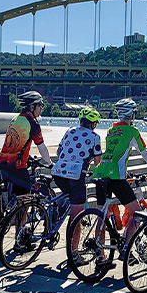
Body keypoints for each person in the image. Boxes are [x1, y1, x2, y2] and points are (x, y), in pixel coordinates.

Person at [89, 98, 147, 264]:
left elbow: (114, 153)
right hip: (116, 177)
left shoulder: (111, 130)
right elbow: (145, 153)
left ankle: (100, 256)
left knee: (102, 216)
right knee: (137, 213)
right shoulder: (132, 131)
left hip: (101, 173)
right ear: (131, 114)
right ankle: (126, 249)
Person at [52, 106, 103, 256]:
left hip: (59, 172)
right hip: (76, 176)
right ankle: (74, 254)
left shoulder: (69, 131)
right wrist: (96, 173)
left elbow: (59, 151)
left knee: (68, 195)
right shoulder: (95, 137)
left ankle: (58, 208)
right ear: (93, 124)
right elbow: (97, 161)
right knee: (77, 217)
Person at [0, 91, 53, 203]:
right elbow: (41, 147)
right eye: (40, 105)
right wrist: (50, 163)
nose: (41, 108)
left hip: (2, 161)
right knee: (25, 199)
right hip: (17, 166)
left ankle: (0, 216)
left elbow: (15, 144)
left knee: (8, 199)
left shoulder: (16, 119)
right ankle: (20, 221)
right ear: (32, 107)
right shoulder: (33, 124)